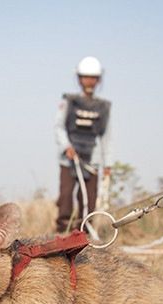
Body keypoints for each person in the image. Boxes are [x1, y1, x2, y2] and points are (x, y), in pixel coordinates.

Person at [54, 56, 113, 233]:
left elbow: (106, 136)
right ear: (79, 79)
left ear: (98, 80)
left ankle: (84, 236)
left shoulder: (103, 106)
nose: (89, 81)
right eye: (86, 77)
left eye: (93, 77)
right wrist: (66, 146)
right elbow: (58, 127)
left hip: (92, 160)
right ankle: (62, 234)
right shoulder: (69, 102)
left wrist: (107, 164)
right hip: (69, 159)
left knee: (88, 200)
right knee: (65, 198)